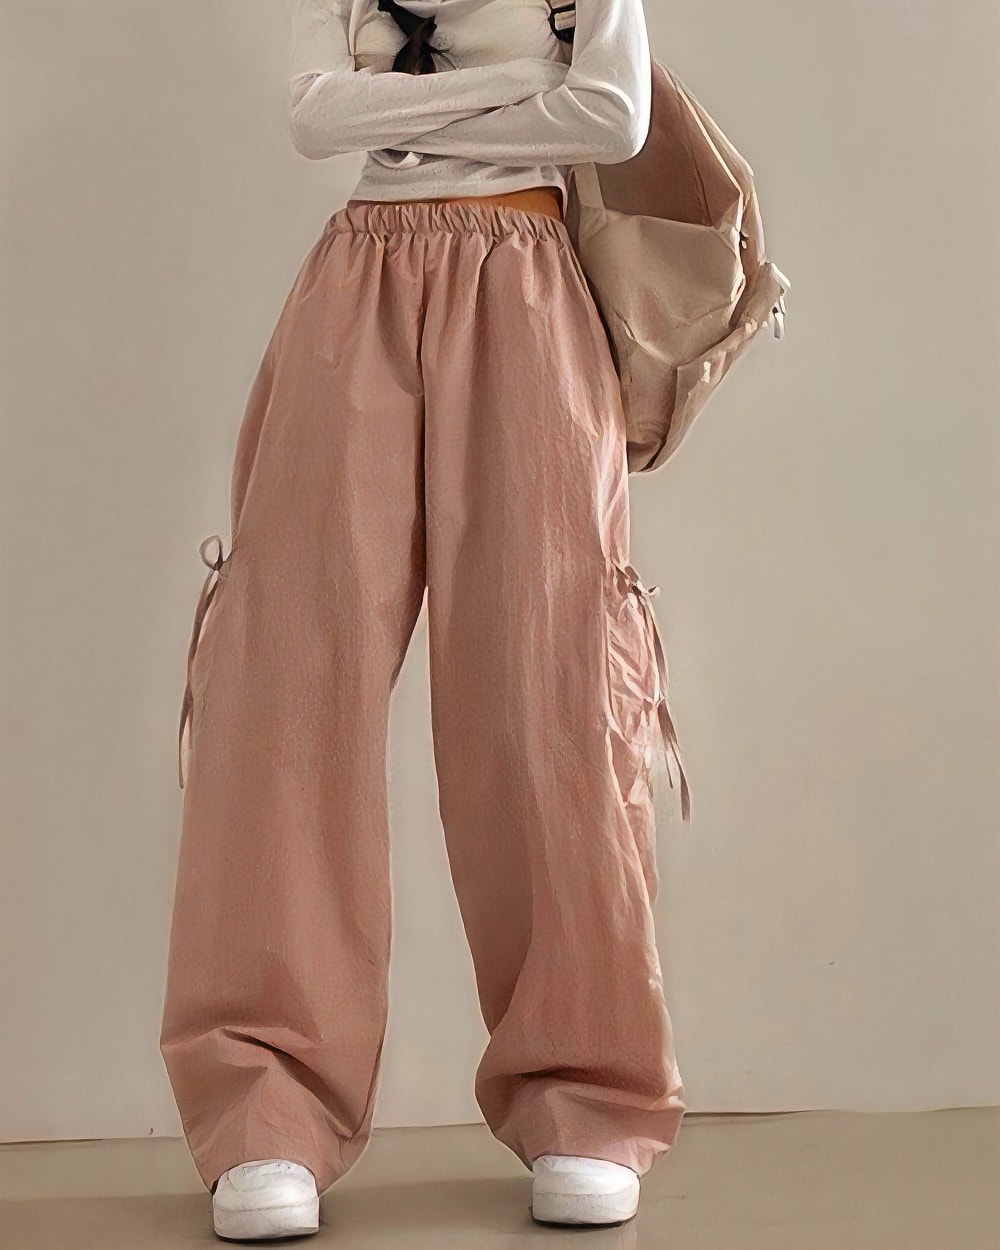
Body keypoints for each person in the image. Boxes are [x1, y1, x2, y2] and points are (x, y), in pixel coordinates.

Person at [159, 0, 687, 1238]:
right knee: (286, 685)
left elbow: (612, 114)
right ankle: (267, 1104)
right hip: (355, 283)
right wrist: (518, 100)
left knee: (550, 691)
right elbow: (314, 117)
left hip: (529, 285)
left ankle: (584, 1093)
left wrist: (399, 115)